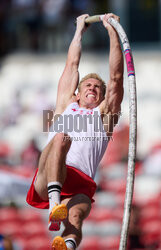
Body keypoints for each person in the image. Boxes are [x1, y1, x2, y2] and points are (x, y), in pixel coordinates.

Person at [26, 13, 124, 250]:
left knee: (76, 220)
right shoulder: (64, 107)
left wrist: (112, 30)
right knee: (61, 135)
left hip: (81, 182)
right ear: (77, 94)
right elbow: (72, 65)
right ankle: (53, 204)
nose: (92, 88)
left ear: (102, 96)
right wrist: (79, 28)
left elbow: (116, 77)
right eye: (87, 85)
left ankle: (67, 246)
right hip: (49, 174)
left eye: (97, 88)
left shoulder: (105, 117)